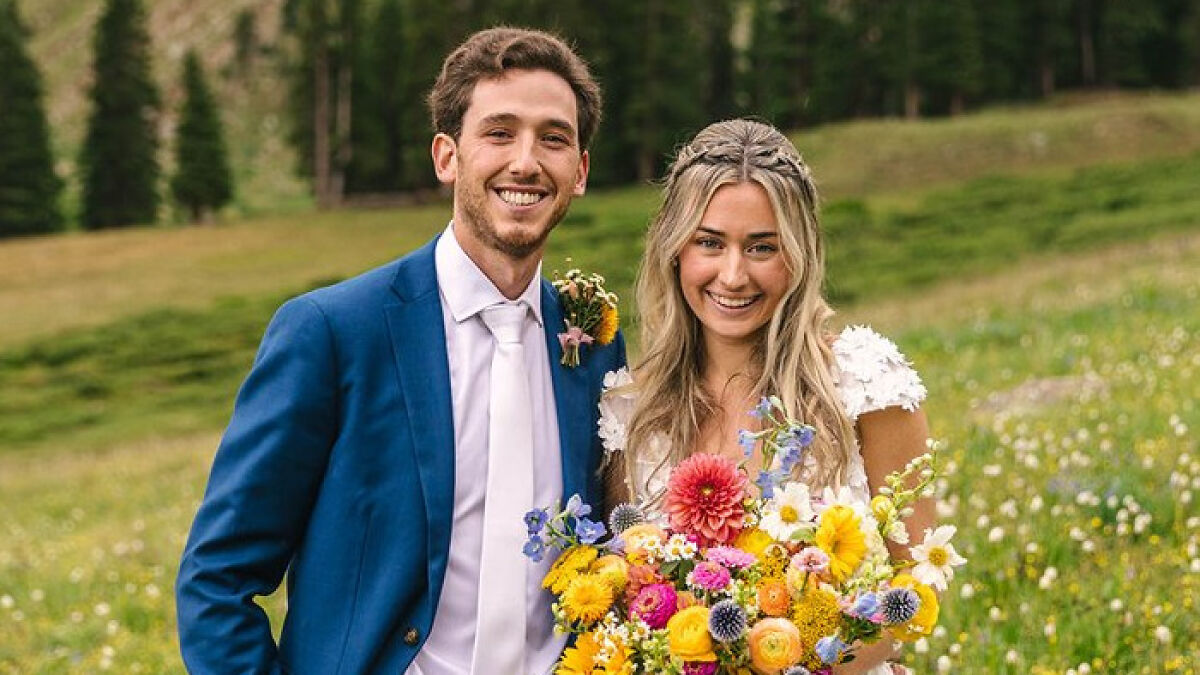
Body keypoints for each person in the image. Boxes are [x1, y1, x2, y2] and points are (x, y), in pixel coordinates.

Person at [176, 27, 625, 675]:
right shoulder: (331, 331)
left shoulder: (594, 344)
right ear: (447, 156)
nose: (526, 161)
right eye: (499, 133)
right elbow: (215, 578)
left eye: (553, 138)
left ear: (579, 170)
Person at [597, 119, 933, 674]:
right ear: (674, 248)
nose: (733, 275)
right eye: (710, 242)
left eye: (762, 247)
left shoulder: (865, 382)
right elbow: (624, 593)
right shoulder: (633, 410)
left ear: (799, 254)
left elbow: (918, 583)